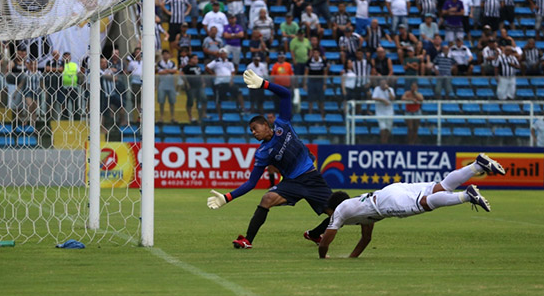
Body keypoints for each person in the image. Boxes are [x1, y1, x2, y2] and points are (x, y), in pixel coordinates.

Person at [207, 69, 334, 250]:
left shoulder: (283, 124)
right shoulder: (262, 153)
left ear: (266, 125)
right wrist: (227, 197)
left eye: (254, 128)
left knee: (338, 214)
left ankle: (314, 234)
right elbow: (252, 182)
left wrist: (264, 84)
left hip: (312, 178)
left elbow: (286, 94)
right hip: (292, 183)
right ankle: (247, 240)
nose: (253, 132)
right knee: (266, 199)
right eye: (250, 130)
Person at [316, 154, 506, 258]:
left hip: (386, 202)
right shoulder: (360, 212)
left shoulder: (341, 210)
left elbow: (325, 242)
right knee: (440, 187)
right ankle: (477, 166)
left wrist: (323, 257)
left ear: (335, 207)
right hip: (388, 192)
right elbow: (366, 239)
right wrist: (352, 259)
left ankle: (466, 196)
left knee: (423, 204)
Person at [372, 78, 395, 143]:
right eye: (382, 84)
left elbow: (392, 98)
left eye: (384, 84)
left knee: (388, 129)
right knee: (382, 128)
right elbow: (374, 98)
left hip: (389, 112)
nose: (383, 85)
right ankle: (382, 143)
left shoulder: (390, 89)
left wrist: (388, 90)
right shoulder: (377, 89)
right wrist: (383, 100)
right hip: (380, 112)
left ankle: (386, 142)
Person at [401, 81, 423, 145]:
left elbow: (421, 99)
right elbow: (403, 98)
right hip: (409, 112)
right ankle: (409, 142)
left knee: (416, 128)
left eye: (415, 87)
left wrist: (415, 94)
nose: (414, 88)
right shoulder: (407, 93)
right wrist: (411, 99)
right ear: (411, 87)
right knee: (410, 128)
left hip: (416, 112)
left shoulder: (419, 94)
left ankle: (414, 142)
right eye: (413, 87)